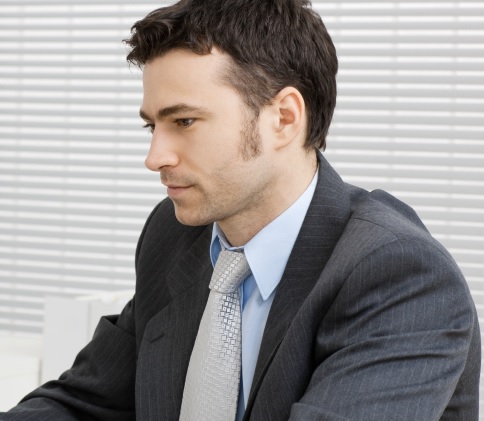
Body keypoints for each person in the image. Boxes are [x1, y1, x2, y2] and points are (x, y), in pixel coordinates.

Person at [2, 0, 480, 420]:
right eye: (152, 127)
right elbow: (85, 403)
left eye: (184, 121)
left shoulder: (399, 275)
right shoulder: (175, 234)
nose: (155, 157)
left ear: (284, 118)